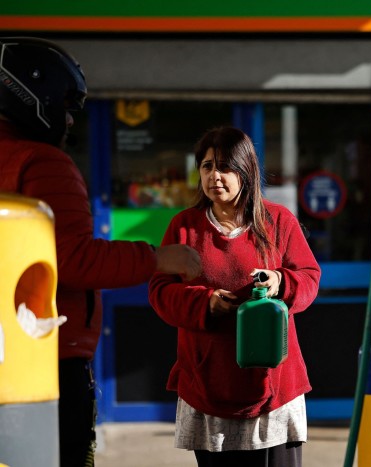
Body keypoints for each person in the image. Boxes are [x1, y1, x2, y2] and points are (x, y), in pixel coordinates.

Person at [0, 37, 202, 467]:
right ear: (34, 93)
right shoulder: (41, 161)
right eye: (67, 105)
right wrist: (159, 258)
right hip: (46, 359)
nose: (70, 120)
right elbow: (68, 259)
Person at [148, 126, 321, 467]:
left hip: (274, 388)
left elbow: (309, 279)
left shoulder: (278, 222)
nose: (215, 176)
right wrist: (205, 303)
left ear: (245, 171)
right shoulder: (184, 226)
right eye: (207, 166)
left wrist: (279, 282)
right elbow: (160, 292)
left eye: (225, 167)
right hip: (208, 384)